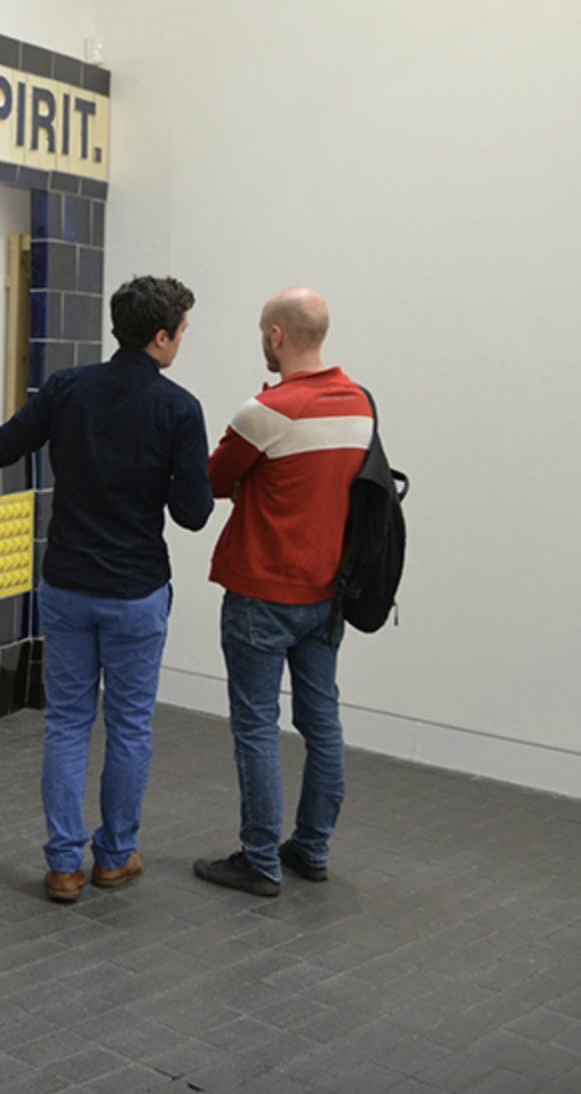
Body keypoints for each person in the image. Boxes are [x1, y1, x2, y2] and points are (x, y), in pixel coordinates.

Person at [0, 275, 213, 903]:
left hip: (67, 585)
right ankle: (115, 857)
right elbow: (194, 514)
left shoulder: (67, 388)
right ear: (160, 337)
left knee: (67, 725)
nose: (183, 340)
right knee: (129, 727)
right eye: (181, 330)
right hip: (136, 592)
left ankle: (63, 866)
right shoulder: (179, 408)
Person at [193, 288, 373, 898]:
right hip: (327, 595)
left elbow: (214, 480)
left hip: (262, 593)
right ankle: (312, 847)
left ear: (276, 336)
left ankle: (259, 859)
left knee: (256, 726)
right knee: (322, 723)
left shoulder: (267, 410)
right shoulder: (360, 404)